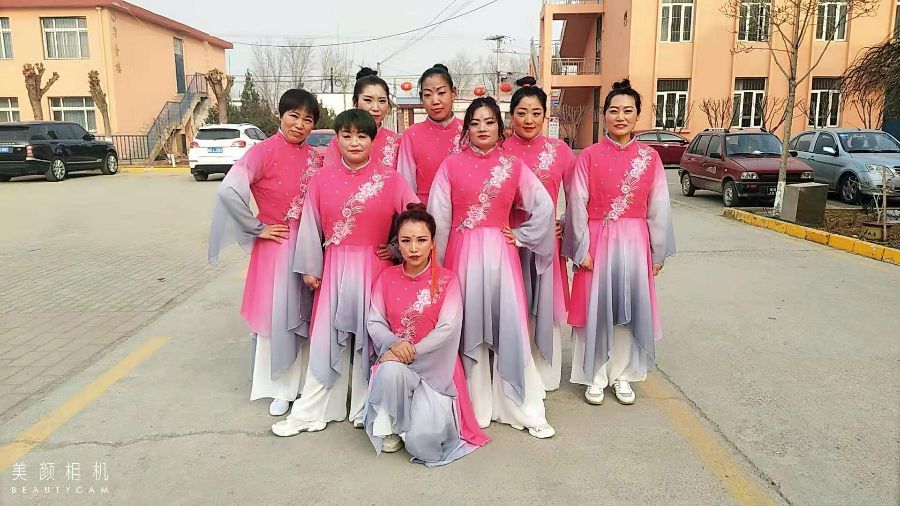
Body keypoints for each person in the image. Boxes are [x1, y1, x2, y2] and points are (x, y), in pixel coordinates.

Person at [271, 109, 418, 436]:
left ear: (373, 140)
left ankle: (368, 408)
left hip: (375, 269)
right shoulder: (322, 179)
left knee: (372, 338)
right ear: (336, 139)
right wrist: (311, 266)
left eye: (362, 136)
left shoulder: (391, 179)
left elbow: (414, 220)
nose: (354, 142)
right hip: (334, 267)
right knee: (325, 337)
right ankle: (313, 410)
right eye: (346, 135)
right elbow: (310, 224)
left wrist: (396, 248)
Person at [428, 96, 557, 439]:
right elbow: (439, 218)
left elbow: (543, 205)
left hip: (502, 255)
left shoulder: (514, 166)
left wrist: (522, 234)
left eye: (489, 122)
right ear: (466, 129)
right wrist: (436, 270)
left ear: (500, 127)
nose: (482, 128)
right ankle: (474, 405)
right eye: (475, 123)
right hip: (461, 256)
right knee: (466, 327)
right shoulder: (451, 166)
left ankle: (517, 404)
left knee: (509, 325)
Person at [208, 89, 323, 417]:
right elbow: (229, 190)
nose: (299, 124)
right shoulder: (262, 152)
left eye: (307, 119)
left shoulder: (316, 157)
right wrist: (258, 227)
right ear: (280, 115)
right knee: (280, 317)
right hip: (279, 245)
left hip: (312, 244)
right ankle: (280, 388)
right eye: (293, 116)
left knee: (308, 314)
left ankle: (304, 385)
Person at [563, 79, 676, 406]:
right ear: (605, 116)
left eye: (628, 110)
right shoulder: (589, 156)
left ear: (638, 115)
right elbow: (576, 202)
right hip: (596, 242)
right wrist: (580, 248)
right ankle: (594, 375)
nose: (620, 117)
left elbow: (659, 206)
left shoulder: (650, 158)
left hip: (635, 243)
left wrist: (657, 252)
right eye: (614, 110)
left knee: (628, 309)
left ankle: (623, 375)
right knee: (593, 311)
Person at [364, 204, 490, 466]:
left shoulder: (448, 280)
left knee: (426, 444)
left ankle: (415, 424)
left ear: (433, 243)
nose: (414, 248)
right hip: (397, 365)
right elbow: (374, 321)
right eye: (406, 241)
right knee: (388, 370)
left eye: (421, 240)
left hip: (436, 370)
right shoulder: (386, 277)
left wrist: (412, 350)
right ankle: (392, 425)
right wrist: (395, 343)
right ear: (397, 244)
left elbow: (447, 329)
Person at [503, 76, 576, 392]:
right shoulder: (500, 149)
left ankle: (545, 374)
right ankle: (516, 370)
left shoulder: (560, 151)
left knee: (545, 304)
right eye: (521, 113)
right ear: (511, 116)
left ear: (546, 115)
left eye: (535, 112)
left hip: (546, 241)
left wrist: (565, 222)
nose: (528, 120)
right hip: (509, 240)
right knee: (514, 303)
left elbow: (578, 197)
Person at [397, 64, 463, 204]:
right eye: (428, 95)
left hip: (464, 210)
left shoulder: (468, 131)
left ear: (453, 93)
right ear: (421, 98)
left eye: (441, 93)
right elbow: (406, 186)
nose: (435, 101)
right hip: (426, 212)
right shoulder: (412, 135)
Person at [324, 67, 400, 169]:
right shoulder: (340, 141)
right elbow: (329, 175)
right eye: (368, 100)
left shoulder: (398, 142)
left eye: (382, 101)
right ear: (355, 102)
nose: (375, 108)